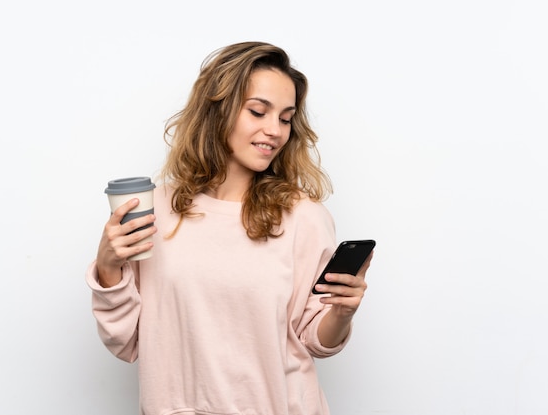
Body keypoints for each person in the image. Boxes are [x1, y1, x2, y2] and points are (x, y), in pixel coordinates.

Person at [86, 41, 372, 415]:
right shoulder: (156, 211)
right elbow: (126, 342)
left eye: (285, 119)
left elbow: (315, 341)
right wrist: (108, 269)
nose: (274, 130)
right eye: (258, 111)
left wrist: (342, 312)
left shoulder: (304, 217)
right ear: (217, 110)